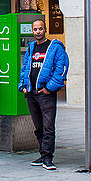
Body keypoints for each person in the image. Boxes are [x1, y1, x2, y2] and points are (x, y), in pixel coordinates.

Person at [18, 18, 69, 170]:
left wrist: (49, 88)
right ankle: (42, 153)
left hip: (45, 93)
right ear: (32, 31)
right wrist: (23, 85)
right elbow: (25, 67)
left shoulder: (55, 47)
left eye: (40, 29)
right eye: (35, 29)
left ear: (45, 29)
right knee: (38, 126)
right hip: (31, 93)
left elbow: (62, 68)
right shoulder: (31, 47)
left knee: (48, 127)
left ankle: (48, 158)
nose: (38, 32)